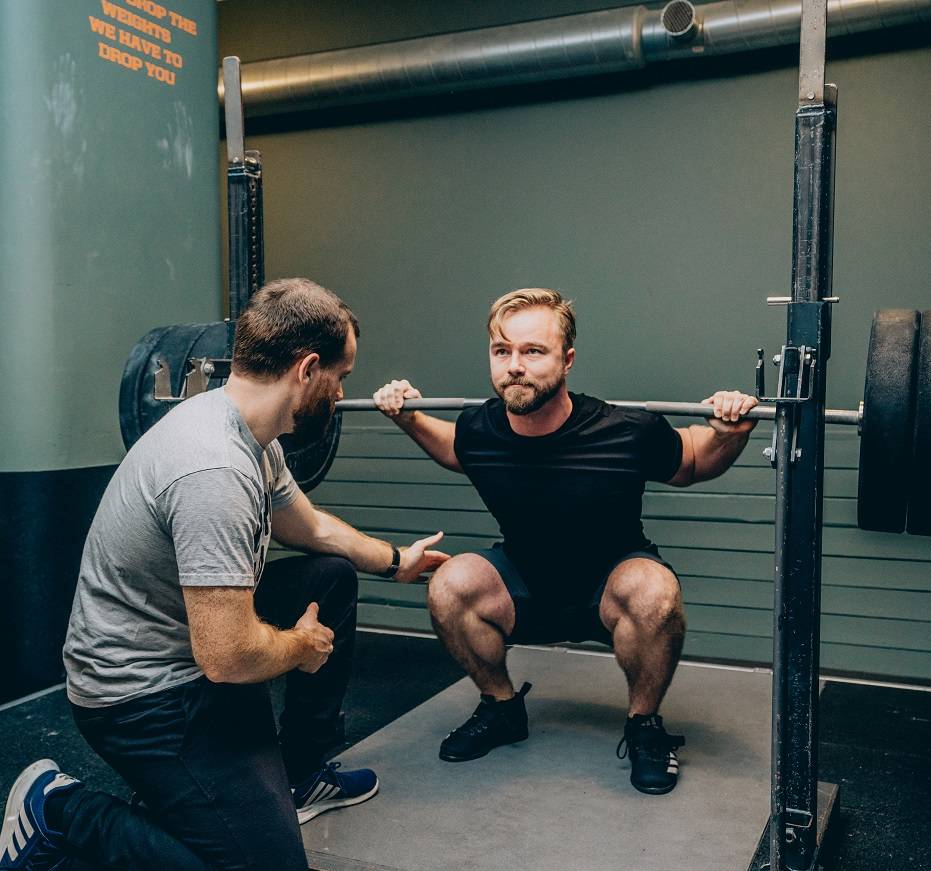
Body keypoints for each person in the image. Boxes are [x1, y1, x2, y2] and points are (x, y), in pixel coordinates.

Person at [0, 278, 448, 871]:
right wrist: (300, 645)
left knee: (330, 575)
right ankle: (59, 808)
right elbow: (228, 657)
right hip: (142, 696)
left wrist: (396, 561)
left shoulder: (252, 435)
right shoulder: (214, 469)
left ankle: (300, 773)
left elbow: (309, 529)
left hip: (191, 651)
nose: (341, 393)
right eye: (340, 377)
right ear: (307, 368)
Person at [372, 288, 757, 796]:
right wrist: (406, 415)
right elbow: (452, 448)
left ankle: (644, 726)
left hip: (610, 587)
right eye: (501, 350)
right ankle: (503, 709)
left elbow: (692, 460)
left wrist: (732, 431)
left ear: (567, 360)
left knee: (655, 594)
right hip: (525, 584)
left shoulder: (624, 430)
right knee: (450, 584)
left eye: (533, 351)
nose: (515, 365)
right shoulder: (479, 428)